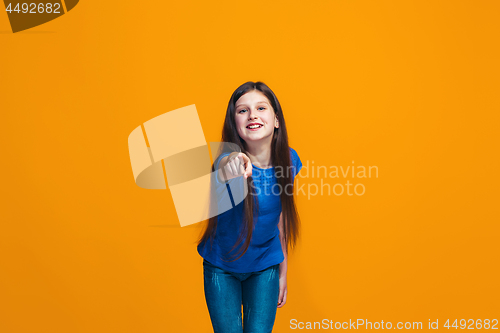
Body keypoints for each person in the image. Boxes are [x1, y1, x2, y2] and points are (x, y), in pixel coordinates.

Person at [197, 81, 303, 333]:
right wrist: (235, 162)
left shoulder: (290, 160)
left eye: (261, 108)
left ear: (276, 120)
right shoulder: (228, 159)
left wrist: (283, 271)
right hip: (221, 266)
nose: (252, 115)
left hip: (265, 265)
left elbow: (281, 221)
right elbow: (227, 164)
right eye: (242, 110)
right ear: (235, 123)